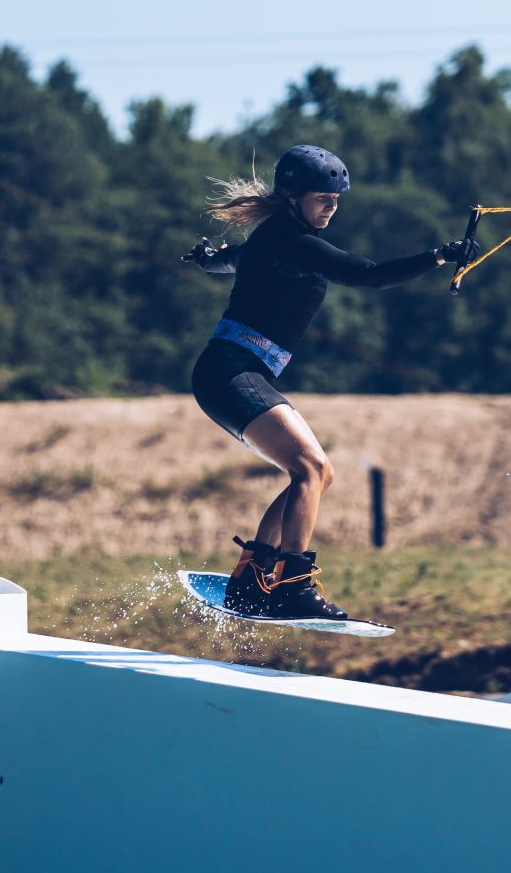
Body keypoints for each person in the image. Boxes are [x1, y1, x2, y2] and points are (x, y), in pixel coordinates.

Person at [182, 144, 479, 620]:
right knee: (311, 470)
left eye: (337, 200)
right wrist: (439, 255)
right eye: (323, 198)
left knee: (318, 475)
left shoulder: (273, 238)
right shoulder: (292, 241)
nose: (331, 207)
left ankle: (253, 579)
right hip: (231, 372)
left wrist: (208, 258)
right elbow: (370, 276)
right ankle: (292, 586)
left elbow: (233, 259)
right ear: (293, 196)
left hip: (234, 372)